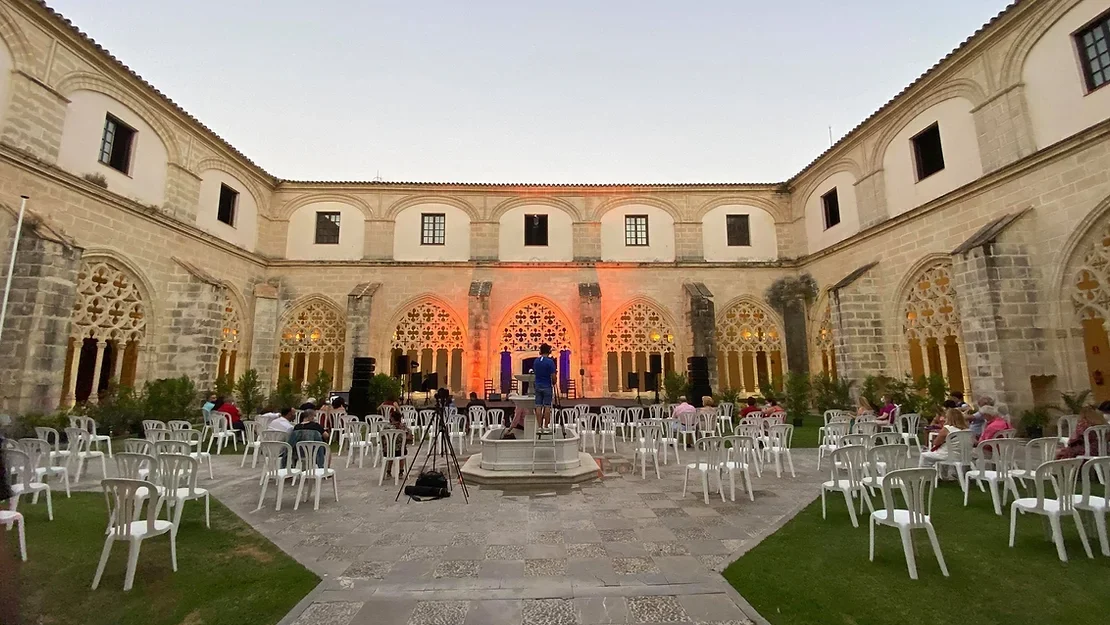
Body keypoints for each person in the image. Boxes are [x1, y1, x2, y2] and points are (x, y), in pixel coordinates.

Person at [919, 408, 968, 473]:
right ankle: (942, 475)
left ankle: (924, 476)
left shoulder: (947, 429)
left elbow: (936, 443)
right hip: (964, 456)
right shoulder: (967, 430)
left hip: (948, 455)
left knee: (924, 456)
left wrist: (933, 440)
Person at [532, 343, 557, 430]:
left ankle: (539, 426)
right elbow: (553, 376)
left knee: (538, 406)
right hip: (547, 386)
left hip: (538, 385)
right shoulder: (550, 362)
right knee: (547, 406)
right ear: (549, 351)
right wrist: (554, 382)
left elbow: (535, 373)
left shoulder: (536, 361)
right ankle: (546, 426)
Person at [384, 410, 414, 478]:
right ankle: (401, 472)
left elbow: (382, 439)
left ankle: (388, 472)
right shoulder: (404, 427)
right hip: (399, 451)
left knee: (390, 453)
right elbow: (410, 438)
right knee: (402, 451)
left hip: (388, 451)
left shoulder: (386, 427)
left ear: (392, 418)